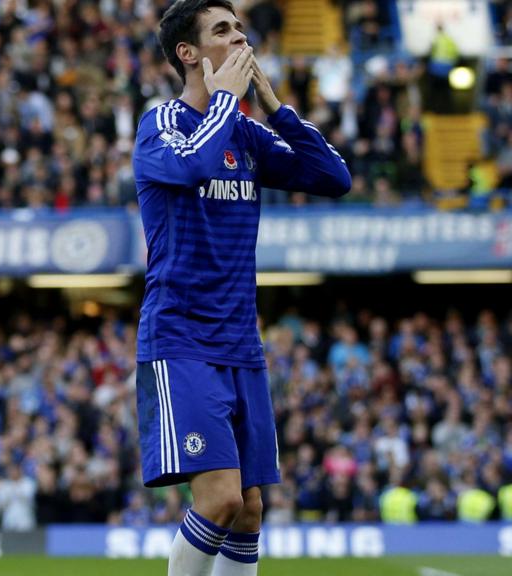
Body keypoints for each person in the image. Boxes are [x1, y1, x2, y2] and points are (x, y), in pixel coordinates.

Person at [132, 2, 351, 576]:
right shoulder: (159, 125)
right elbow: (191, 169)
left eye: (238, 27)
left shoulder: (248, 135)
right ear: (189, 53)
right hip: (181, 338)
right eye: (223, 30)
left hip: (241, 344)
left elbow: (333, 178)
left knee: (250, 510)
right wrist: (226, 99)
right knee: (221, 498)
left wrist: (274, 106)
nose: (240, 37)